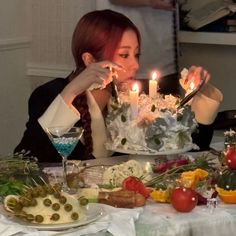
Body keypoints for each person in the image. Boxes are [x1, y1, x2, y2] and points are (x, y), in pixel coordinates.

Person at [15, 9, 223, 162]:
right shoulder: (49, 95)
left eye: (136, 54)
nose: (135, 65)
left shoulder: (136, 100)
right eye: (124, 55)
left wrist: (201, 91)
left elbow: (192, 152)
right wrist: (71, 91)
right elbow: (31, 160)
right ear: (89, 60)